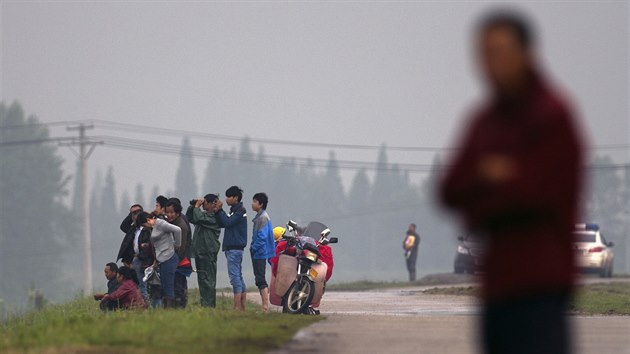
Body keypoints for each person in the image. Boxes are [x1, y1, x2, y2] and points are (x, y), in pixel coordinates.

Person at [439, 9, 583, 354]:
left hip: (541, 287)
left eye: (501, 52)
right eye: (485, 54)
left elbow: (535, 194)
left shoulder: (552, 116)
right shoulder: (484, 120)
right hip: (495, 286)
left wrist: (487, 189)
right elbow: (449, 188)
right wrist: (490, 177)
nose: (492, 63)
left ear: (527, 54)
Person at [136, 211, 182, 308]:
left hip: (169, 257)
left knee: (168, 284)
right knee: (164, 285)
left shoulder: (160, 223)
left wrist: (177, 245)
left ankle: (170, 308)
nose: (144, 227)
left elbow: (177, 230)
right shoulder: (152, 228)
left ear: (147, 221)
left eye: (143, 225)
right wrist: (156, 260)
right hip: (161, 259)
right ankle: (167, 307)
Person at [214, 186, 248, 311]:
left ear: (236, 198)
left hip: (234, 249)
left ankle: (237, 307)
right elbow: (223, 223)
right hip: (233, 248)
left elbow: (228, 222)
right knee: (238, 276)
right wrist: (218, 212)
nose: (227, 199)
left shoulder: (240, 211)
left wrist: (220, 210)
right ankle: (243, 307)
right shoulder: (234, 210)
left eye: (229, 196)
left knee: (234, 277)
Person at [186, 194, 221, 308]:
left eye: (205, 202)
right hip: (200, 252)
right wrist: (192, 207)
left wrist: (196, 207)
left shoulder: (214, 217)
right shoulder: (204, 216)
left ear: (212, 203)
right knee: (202, 280)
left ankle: (209, 305)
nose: (202, 204)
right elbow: (190, 218)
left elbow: (198, 218)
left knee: (208, 280)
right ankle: (205, 304)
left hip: (208, 252)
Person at [118, 204, 154, 302]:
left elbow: (148, 247)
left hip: (144, 260)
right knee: (136, 284)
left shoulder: (147, 229)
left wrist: (141, 215)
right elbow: (123, 226)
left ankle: (146, 303)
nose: (134, 216)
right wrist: (131, 215)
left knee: (144, 284)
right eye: (132, 214)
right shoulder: (133, 229)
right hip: (132, 260)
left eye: (136, 213)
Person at [250, 193, 276, 312]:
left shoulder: (263, 218)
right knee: (259, 278)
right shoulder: (260, 216)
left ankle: (265, 307)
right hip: (258, 251)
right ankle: (264, 305)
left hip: (260, 252)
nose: (252, 203)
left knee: (260, 279)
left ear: (260, 204)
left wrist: (254, 247)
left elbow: (262, 237)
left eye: (255, 201)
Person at [165, 199, 192, 308]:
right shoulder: (171, 223)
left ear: (177, 213)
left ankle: (180, 307)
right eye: (167, 212)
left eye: (172, 212)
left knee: (178, 286)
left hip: (179, 261)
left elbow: (181, 247)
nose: (169, 215)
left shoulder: (181, 226)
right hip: (172, 260)